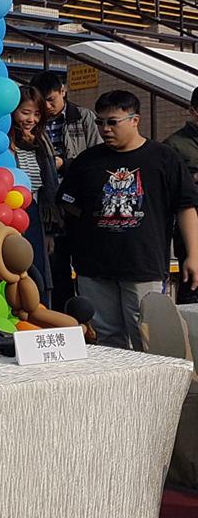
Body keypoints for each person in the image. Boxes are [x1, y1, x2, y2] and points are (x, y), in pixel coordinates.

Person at [57, 90, 198, 350]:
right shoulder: (87, 161)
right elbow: (68, 204)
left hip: (143, 264)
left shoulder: (163, 158)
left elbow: (186, 207)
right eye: (100, 122)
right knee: (106, 340)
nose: (105, 129)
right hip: (95, 268)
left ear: (135, 120)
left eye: (113, 122)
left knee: (147, 337)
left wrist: (193, 254)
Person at [31, 71, 102, 311]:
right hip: (51, 207)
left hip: (81, 204)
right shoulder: (35, 122)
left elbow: (98, 157)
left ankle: (88, 321)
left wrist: (64, 163)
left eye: (51, 99)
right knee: (57, 270)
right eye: (42, 102)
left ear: (63, 91)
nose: (48, 106)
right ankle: (64, 320)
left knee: (86, 269)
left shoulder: (84, 117)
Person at [9, 85, 62, 305]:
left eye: (37, 113)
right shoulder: (6, 141)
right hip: (13, 212)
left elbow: (48, 188)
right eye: (25, 112)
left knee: (39, 270)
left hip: (37, 213)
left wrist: (50, 231)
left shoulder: (42, 142)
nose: (31, 119)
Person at [164, 87, 198, 303]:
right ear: (193, 110)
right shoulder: (175, 144)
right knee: (192, 293)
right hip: (192, 229)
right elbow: (172, 189)